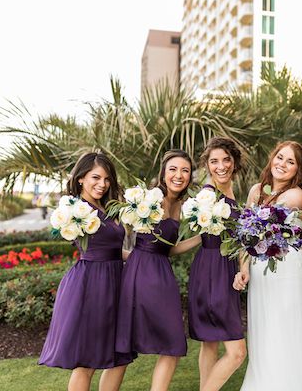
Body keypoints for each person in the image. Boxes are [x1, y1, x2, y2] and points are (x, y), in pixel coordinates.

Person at [39, 152, 135, 391]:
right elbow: (81, 243)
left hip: (115, 282)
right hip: (91, 286)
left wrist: (141, 259)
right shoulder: (74, 210)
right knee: (87, 361)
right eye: (96, 177)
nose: (102, 184)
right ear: (80, 178)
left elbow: (113, 249)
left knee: (120, 356)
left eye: (107, 179)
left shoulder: (105, 208)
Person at [233, 141, 302, 391]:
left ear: (298, 170)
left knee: (286, 330)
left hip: (288, 268)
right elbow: (245, 236)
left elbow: (261, 226)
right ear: (272, 158)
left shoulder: (296, 195)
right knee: (264, 330)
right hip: (262, 269)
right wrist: (244, 268)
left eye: (290, 162)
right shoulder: (255, 190)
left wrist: (251, 223)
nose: (282, 164)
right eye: (279, 157)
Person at [115, 149, 197, 391]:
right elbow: (136, 239)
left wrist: (202, 237)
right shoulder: (152, 199)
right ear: (163, 172)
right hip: (141, 274)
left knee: (173, 342)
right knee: (125, 343)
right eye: (173, 169)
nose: (179, 175)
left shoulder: (182, 204)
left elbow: (165, 249)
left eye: (185, 170)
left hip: (162, 272)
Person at [187, 137, 246, 391]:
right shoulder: (207, 195)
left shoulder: (231, 191)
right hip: (213, 270)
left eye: (225, 160)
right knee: (237, 352)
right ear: (207, 165)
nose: (220, 166)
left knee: (209, 342)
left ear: (234, 162)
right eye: (214, 161)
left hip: (224, 267)